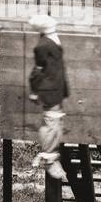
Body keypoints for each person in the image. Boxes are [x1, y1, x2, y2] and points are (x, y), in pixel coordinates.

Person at [27, 12, 68, 182]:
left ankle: (51, 156)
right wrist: (35, 90)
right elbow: (37, 70)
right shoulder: (43, 45)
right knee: (51, 121)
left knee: (55, 121)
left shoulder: (51, 40)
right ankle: (48, 157)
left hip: (55, 88)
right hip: (49, 90)